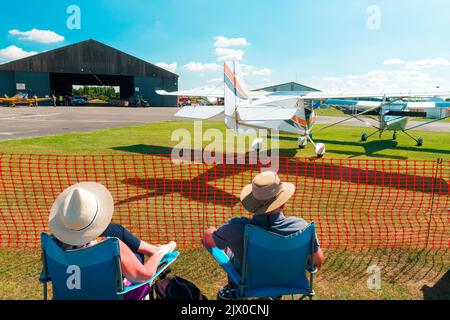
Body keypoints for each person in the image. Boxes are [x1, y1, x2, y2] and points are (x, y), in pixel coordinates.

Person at [203, 171, 325, 296]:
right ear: (282, 202)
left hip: (250, 281)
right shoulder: (301, 228)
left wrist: (211, 230)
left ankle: (234, 291)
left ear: (253, 203)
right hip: (288, 281)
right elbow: (317, 261)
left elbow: (208, 241)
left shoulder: (235, 229)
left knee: (228, 247)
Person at [48, 182, 176, 297]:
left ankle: (153, 250)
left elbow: (47, 274)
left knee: (116, 232)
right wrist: (160, 254)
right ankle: (156, 250)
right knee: (134, 252)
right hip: (108, 294)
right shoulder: (110, 244)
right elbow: (143, 276)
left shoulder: (52, 245)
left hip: (69, 295)